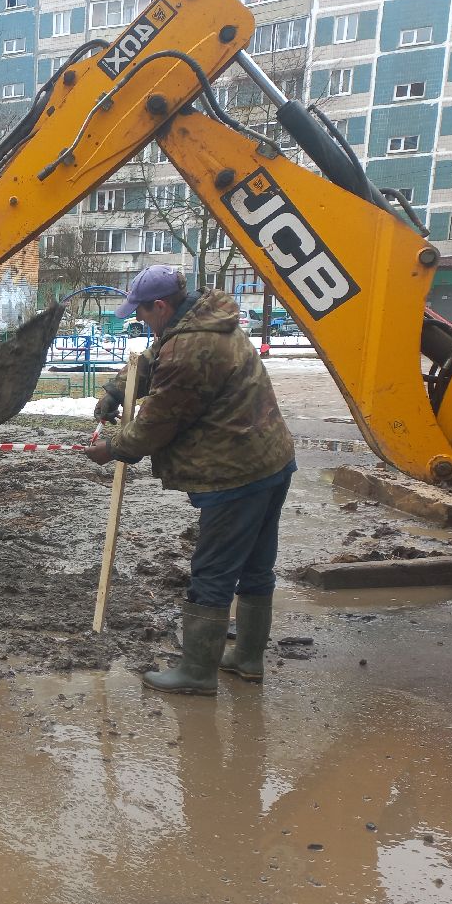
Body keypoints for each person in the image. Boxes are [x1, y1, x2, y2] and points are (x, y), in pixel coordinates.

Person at [84, 266, 296, 696]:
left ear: (160, 306)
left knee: (213, 570)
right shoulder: (205, 319)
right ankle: (248, 658)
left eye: (141, 313)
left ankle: (198, 672)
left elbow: (161, 419)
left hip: (233, 472)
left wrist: (115, 448)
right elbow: (154, 361)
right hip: (270, 459)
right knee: (256, 565)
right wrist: (115, 389)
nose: (139, 320)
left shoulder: (192, 346)